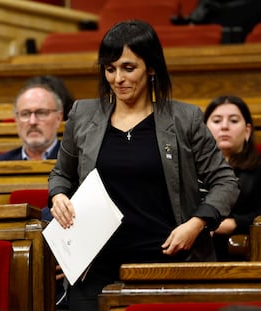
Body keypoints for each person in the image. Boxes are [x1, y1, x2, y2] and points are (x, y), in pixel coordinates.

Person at [48, 20, 240, 311]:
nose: (118, 79)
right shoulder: (83, 114)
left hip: (165, 262)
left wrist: (195, 224)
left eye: (128, 68)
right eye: (110, 69)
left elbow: (225, 181)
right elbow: (62, 173)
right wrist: (59, 195)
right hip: (95, 264)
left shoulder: (183, 119)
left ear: (151, 68)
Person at [204, 95, 261, 260]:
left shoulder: (258, 168)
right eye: (216, 121)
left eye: (234, 121)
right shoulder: (187, 167)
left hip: (246, 250)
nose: (224, 126)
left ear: (248, 130)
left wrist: (231, 224)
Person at [0, 84, 64, 161]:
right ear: (16, 119)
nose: (32, 121)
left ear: (58, 118)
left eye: (41, 113)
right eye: (25, 114)